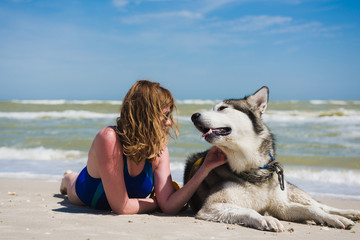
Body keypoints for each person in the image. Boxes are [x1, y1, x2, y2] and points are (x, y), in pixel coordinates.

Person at [60, 80, 227, 215]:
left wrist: (205, 168)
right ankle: (67, 177)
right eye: (165, 115)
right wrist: (156, 202)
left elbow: (169, 206)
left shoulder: (159, 147)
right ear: (145, 114)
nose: (169, 122)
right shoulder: (108, 138)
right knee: (71, 182)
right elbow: (122, 207)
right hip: (84, 192)